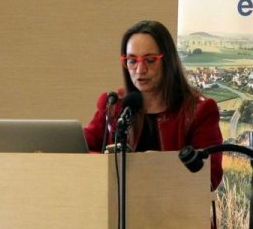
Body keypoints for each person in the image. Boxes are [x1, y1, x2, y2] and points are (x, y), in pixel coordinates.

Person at [84, 20, 223, 192]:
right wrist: (109, 165)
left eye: (150, 60)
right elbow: (81, 150)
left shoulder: (198, 111)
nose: (140, 70)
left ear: (168, 61)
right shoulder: (114, 106)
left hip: (175, 206)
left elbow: (210, 176)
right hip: (119, 206)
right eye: (132, 61)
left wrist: (159, 166)